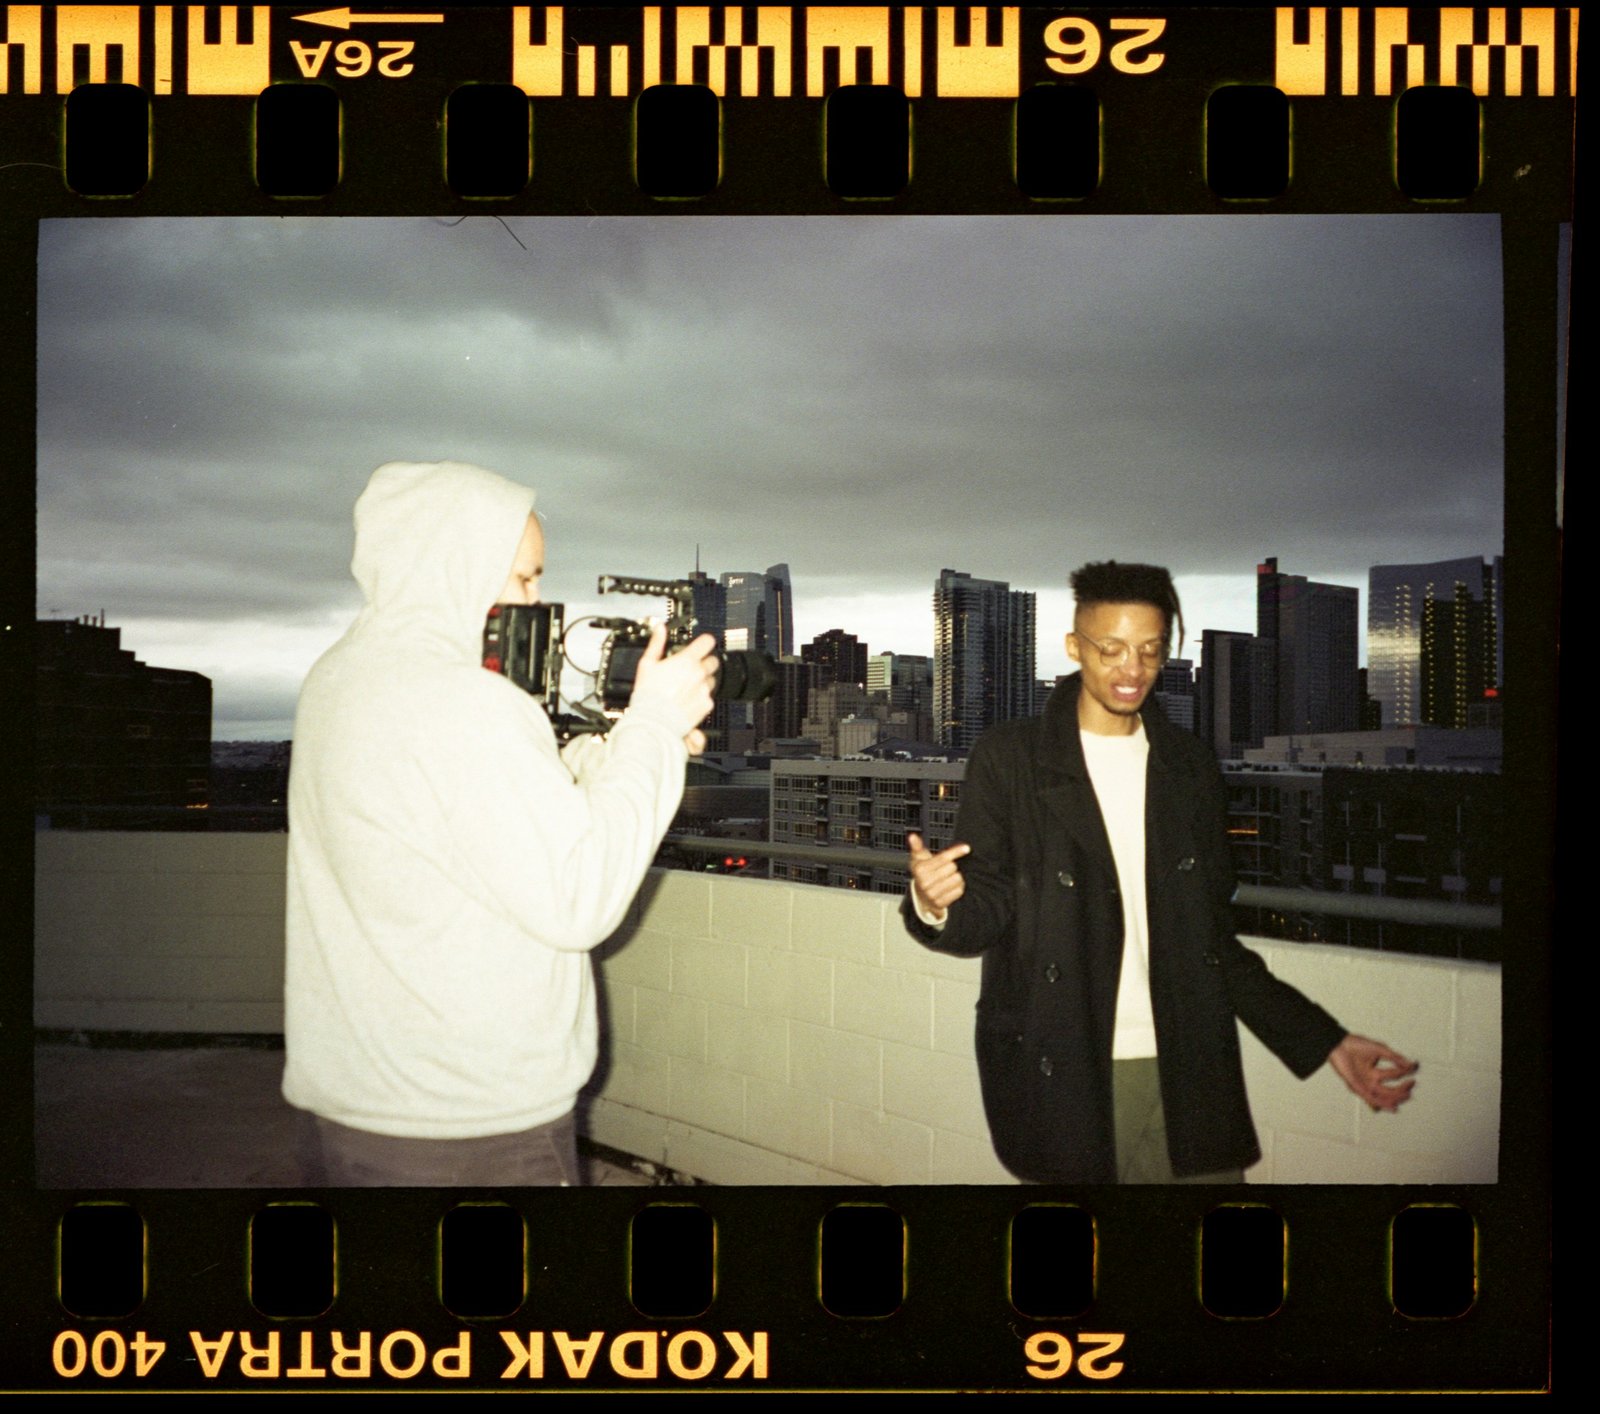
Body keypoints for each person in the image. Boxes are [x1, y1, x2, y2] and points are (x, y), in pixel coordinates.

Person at [902, 561, 1417, 1184]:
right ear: (1075, 647)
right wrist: (935, 903)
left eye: (1149, 650)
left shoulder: (1187, 765)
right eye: (1111, 649)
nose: (1132, 670)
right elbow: (982, 913)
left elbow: (1211, 940)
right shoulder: (1013, 758)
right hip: (1066, 1058)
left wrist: (1324, 1040)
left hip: (1186, 1057)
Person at [282, 460, 717, 1186]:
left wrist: (614, 754)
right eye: (524, 578)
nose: (537, 600)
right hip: (467, 1131)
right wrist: (652, 725)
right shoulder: (464, 701)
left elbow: (474, 818)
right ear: (455, 566)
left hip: (354, 1108)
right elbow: (580, 897)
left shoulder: (343, 676)